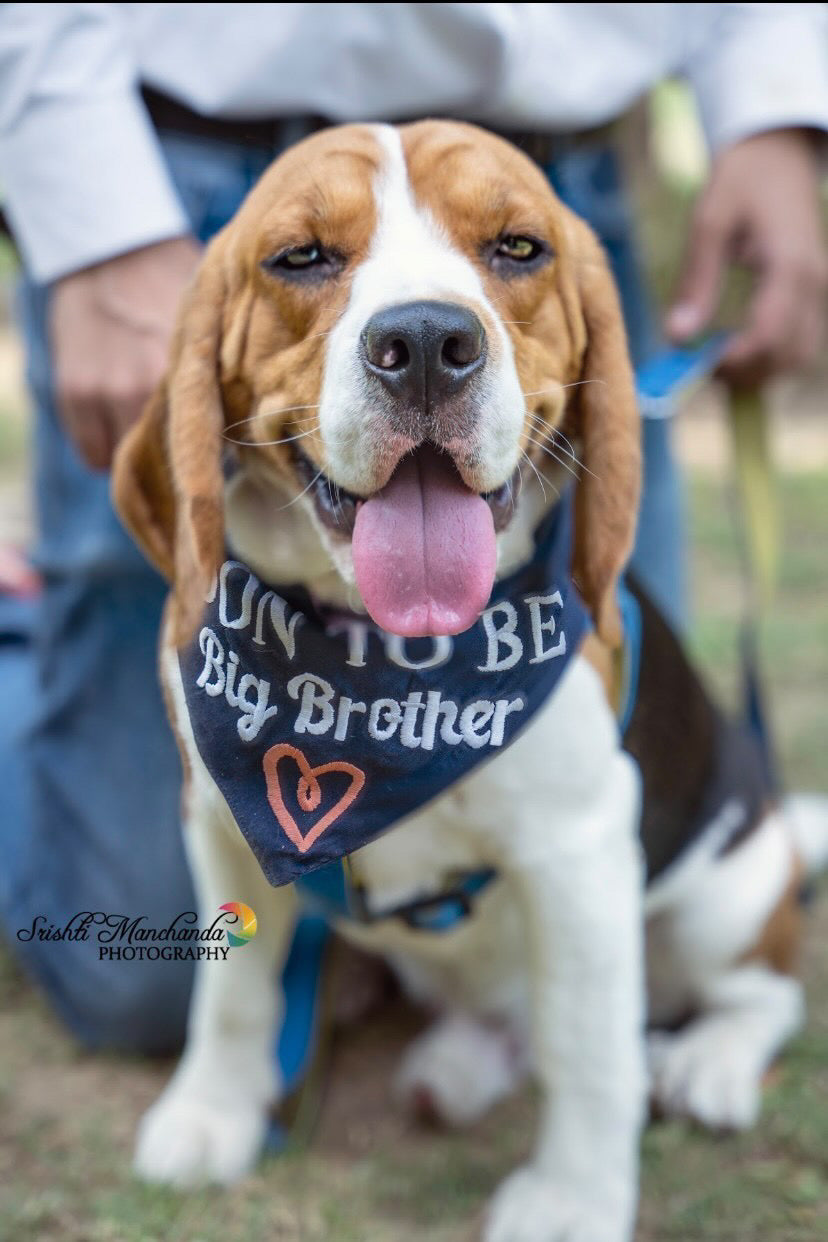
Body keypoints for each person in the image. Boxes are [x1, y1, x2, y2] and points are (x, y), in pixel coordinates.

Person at [0, 3, 826, 1053]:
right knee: (144, 972)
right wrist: (93, 213)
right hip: (171, 171)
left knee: (620, 814)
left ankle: (479, 247)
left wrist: (773, 101)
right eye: (316, 258)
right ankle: (20, 635)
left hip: (566, 172)